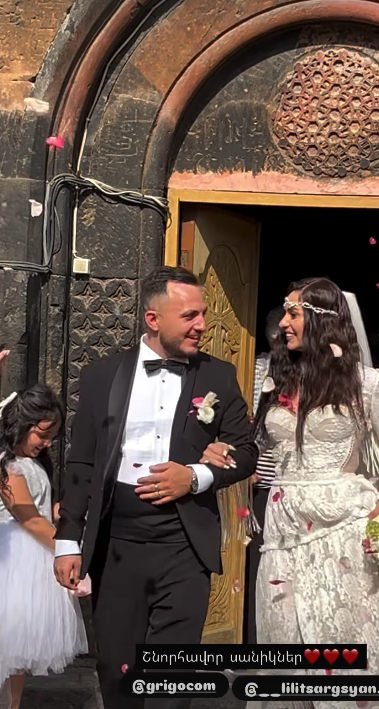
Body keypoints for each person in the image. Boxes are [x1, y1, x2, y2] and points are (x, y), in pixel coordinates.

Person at [204, 277, 379, 709]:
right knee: (285, 644)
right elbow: (257, 449)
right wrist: (224, 453)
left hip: (343, 531)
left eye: (293, 313)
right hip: (283, 533)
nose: (283, 323)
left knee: (342, 645)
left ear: (322, 321)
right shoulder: (276, 381)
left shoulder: (367, 384)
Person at [53, 266, 258, 709]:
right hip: (117, 544)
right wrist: (67, 540)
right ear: (153, 319)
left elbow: (245, 451)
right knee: (117, 671)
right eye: (189, 316)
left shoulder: (219, 376)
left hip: (185, 545)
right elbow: (82, 461)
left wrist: (196, 476)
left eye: (203, 314)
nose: (201, 325)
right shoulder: (101, 375)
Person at [0, 385, 88, 709]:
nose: (47, 443)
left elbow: (42, 511)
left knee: (17, 652)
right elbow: (30, 520)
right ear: (20, 425)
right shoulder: (8, 466)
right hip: (12, 560)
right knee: (7, 642)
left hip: (33, 561)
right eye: (42, 434)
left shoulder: (34, 463)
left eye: (52, 436)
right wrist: (67, 548)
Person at [244, 306, 283, 644]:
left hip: (296, 483)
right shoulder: (255, 369)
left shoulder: (314, 372)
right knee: (257, 561)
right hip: (258, 480)